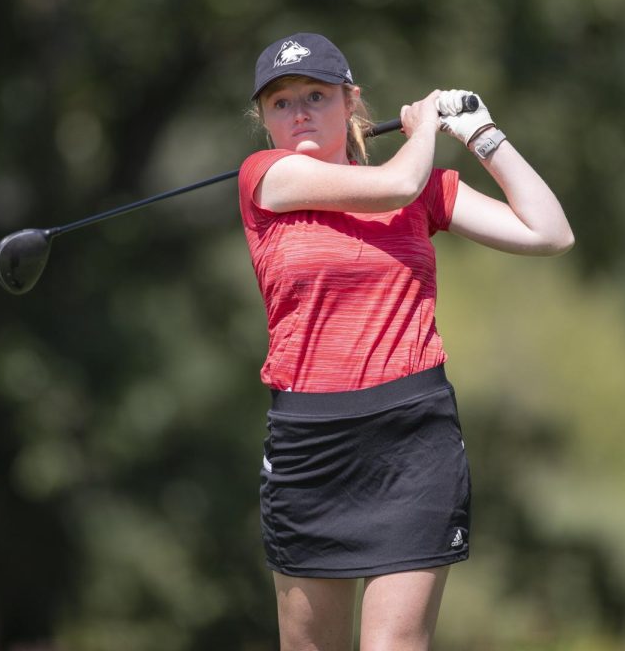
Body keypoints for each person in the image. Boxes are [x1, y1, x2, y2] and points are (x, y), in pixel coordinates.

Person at [237, 32, 574, 651]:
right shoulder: (266, 179)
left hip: (412, 440)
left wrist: (481, 135)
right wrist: (424, 128)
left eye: (316, 94)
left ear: (350, 101)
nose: (301, 112)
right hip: (309, 447)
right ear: (265, 120)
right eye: (281, 103)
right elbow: (392, 185)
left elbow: (550, 232)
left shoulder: (426, 189)